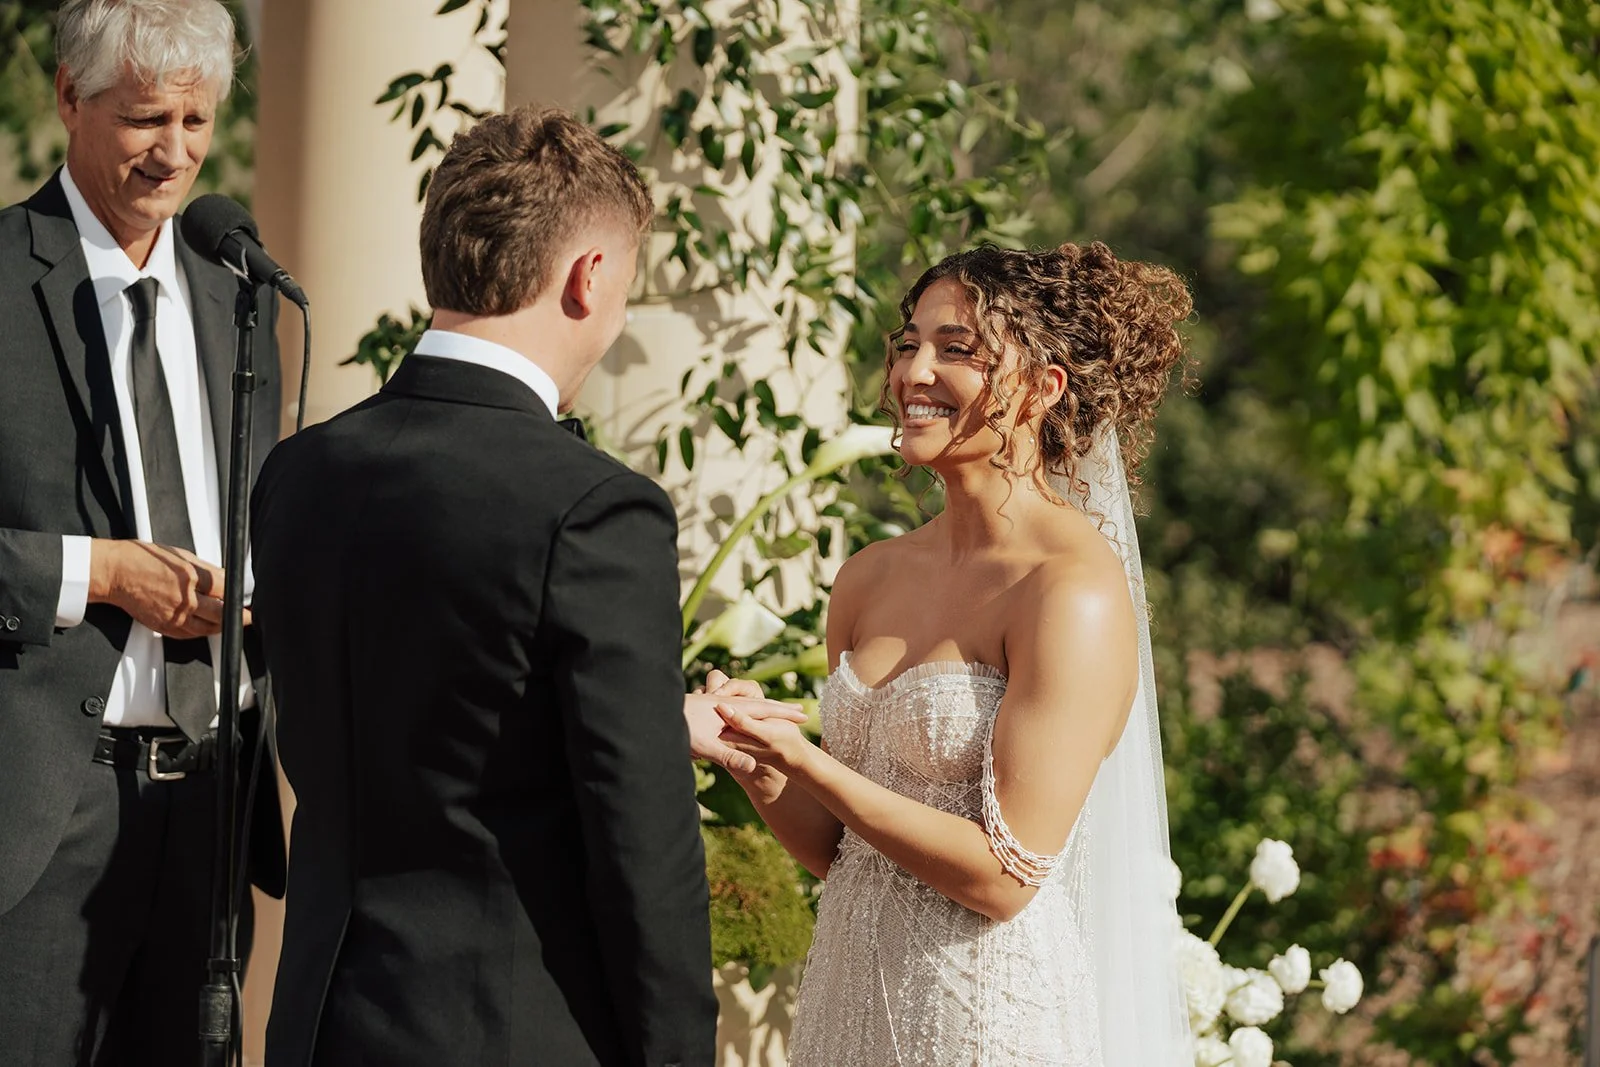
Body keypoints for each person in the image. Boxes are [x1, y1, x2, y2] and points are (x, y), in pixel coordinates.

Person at [250, 105, 803, 1067]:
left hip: (322, 1022)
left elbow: (416, 714)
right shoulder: (594, 507)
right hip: (509, 1030)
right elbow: (641, 845)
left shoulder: (299, 473)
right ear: (589, 278)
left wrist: (649, 716)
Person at [714, 242, 1197, 1064]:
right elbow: (843, 849)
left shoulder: (1069, 589)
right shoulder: (868, 577)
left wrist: (811, 760)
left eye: (957, 348)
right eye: (908, 344)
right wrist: (761, 766)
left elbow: (1006, 877)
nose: (913, 372)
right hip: (843, 1009)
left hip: (984, 1024)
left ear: (1043, 390)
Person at [0, 1, 287, 1063]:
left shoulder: (235, 300)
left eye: (197, 120)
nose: (175, 153)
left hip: (210, 808)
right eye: (144, 119)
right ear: (70, 99)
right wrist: (97, 572)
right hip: (37, 818)